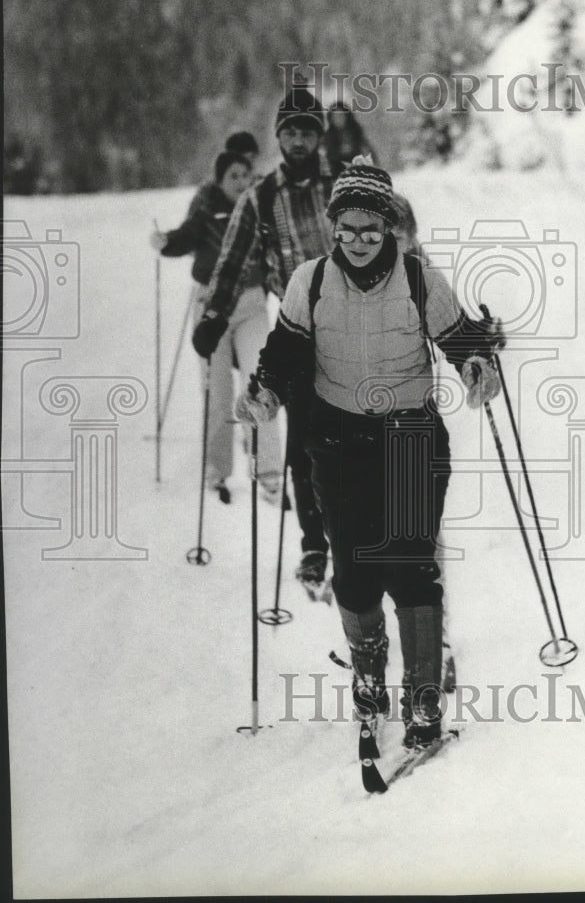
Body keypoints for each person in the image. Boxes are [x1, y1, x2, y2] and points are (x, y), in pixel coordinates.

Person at [234, 157, 505, 748]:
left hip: (410, 439)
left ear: (389, 228)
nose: (359, 241)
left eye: (371, 229)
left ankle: (424, 697)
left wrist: (479, 366)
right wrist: (264, 394)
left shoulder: (419, 279)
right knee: (353, 572)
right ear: (335, 229)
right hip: (338, 442)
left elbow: (462, 342)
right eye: (348, 229)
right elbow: (283, 354)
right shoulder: (309, 281)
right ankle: (368, 672)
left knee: (411, 564)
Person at [192, 83, 342, 586]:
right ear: (279, 136)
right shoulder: (261, 196)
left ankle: (364, 538)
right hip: (297, 331)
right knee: (302, 444)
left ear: (319, 136)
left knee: (360, 438)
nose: (299, 140)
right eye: (290, 131)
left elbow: (392, 242)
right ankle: (314, 546)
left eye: (307, 130)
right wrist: (214, 317)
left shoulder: (343, 182)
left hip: (355, 326)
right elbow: (233, 260)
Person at [151, 144, 282, 505]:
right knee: (218, 392)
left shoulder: (260, 206)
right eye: (232, 176)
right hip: (211, 306)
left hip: (253, 303)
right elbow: (185, 238)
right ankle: (217, 469)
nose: (240, 182)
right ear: (219, 180)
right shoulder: (207, 209)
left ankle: (270, 474)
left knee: (262, 384)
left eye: (245, 174)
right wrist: (166, 242)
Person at [323, 102, 377, 169]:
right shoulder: (328, 137)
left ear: (347, 116)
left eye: (341, 115)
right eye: (335, 116)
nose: (338, 119)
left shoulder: (356, 133)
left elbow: (368, 155)